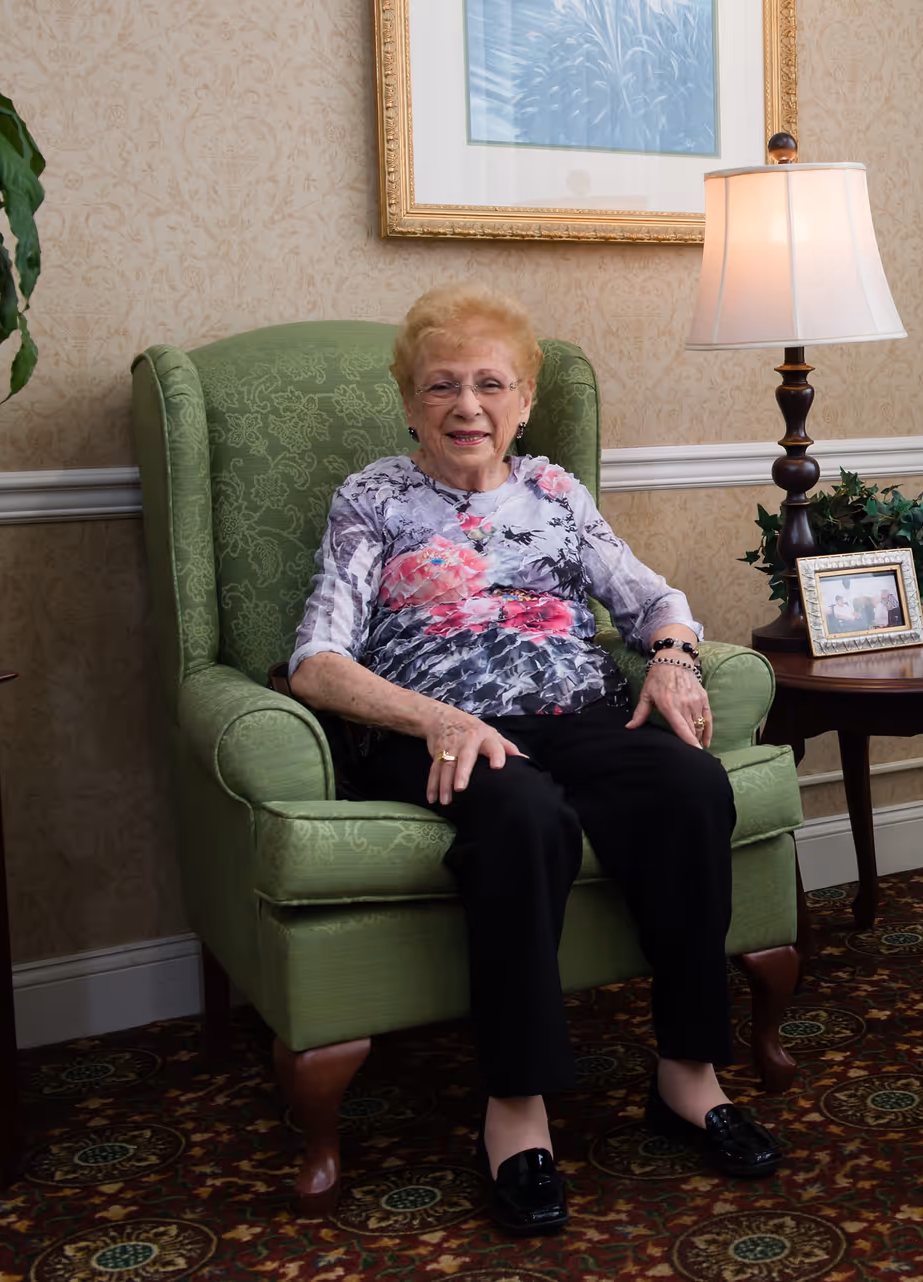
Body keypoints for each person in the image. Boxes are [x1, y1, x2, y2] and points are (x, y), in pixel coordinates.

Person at [288, 284, 780, 1237]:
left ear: (521, 403)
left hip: (576, 708)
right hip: (437, 728)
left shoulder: (555, 490)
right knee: (523, 817)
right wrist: (434, 719)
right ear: (408, 404)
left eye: (489, 386)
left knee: (689, 784)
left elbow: (652, 599)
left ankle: (686, 1073)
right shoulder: (375, 499)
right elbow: (317, 661)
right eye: (441, 386)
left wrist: (674, 658)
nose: (466, 406)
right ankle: (515, 1111)